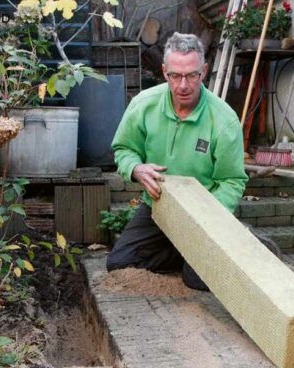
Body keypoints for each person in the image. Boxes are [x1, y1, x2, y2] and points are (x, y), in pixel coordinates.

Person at [106, 32, 279, 290]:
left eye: (191, 75)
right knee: (120, 262)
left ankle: (250, 242)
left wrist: (205, 216)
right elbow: (124, 149)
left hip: (204, 215)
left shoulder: (223, 120)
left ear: (204, 71)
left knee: (196, 280)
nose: (183, 85)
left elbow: (232, 180)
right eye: (175, 75)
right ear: (164, 71)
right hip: (158, 207)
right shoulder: (143, 105)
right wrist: (135, 168)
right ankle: (185, 251)